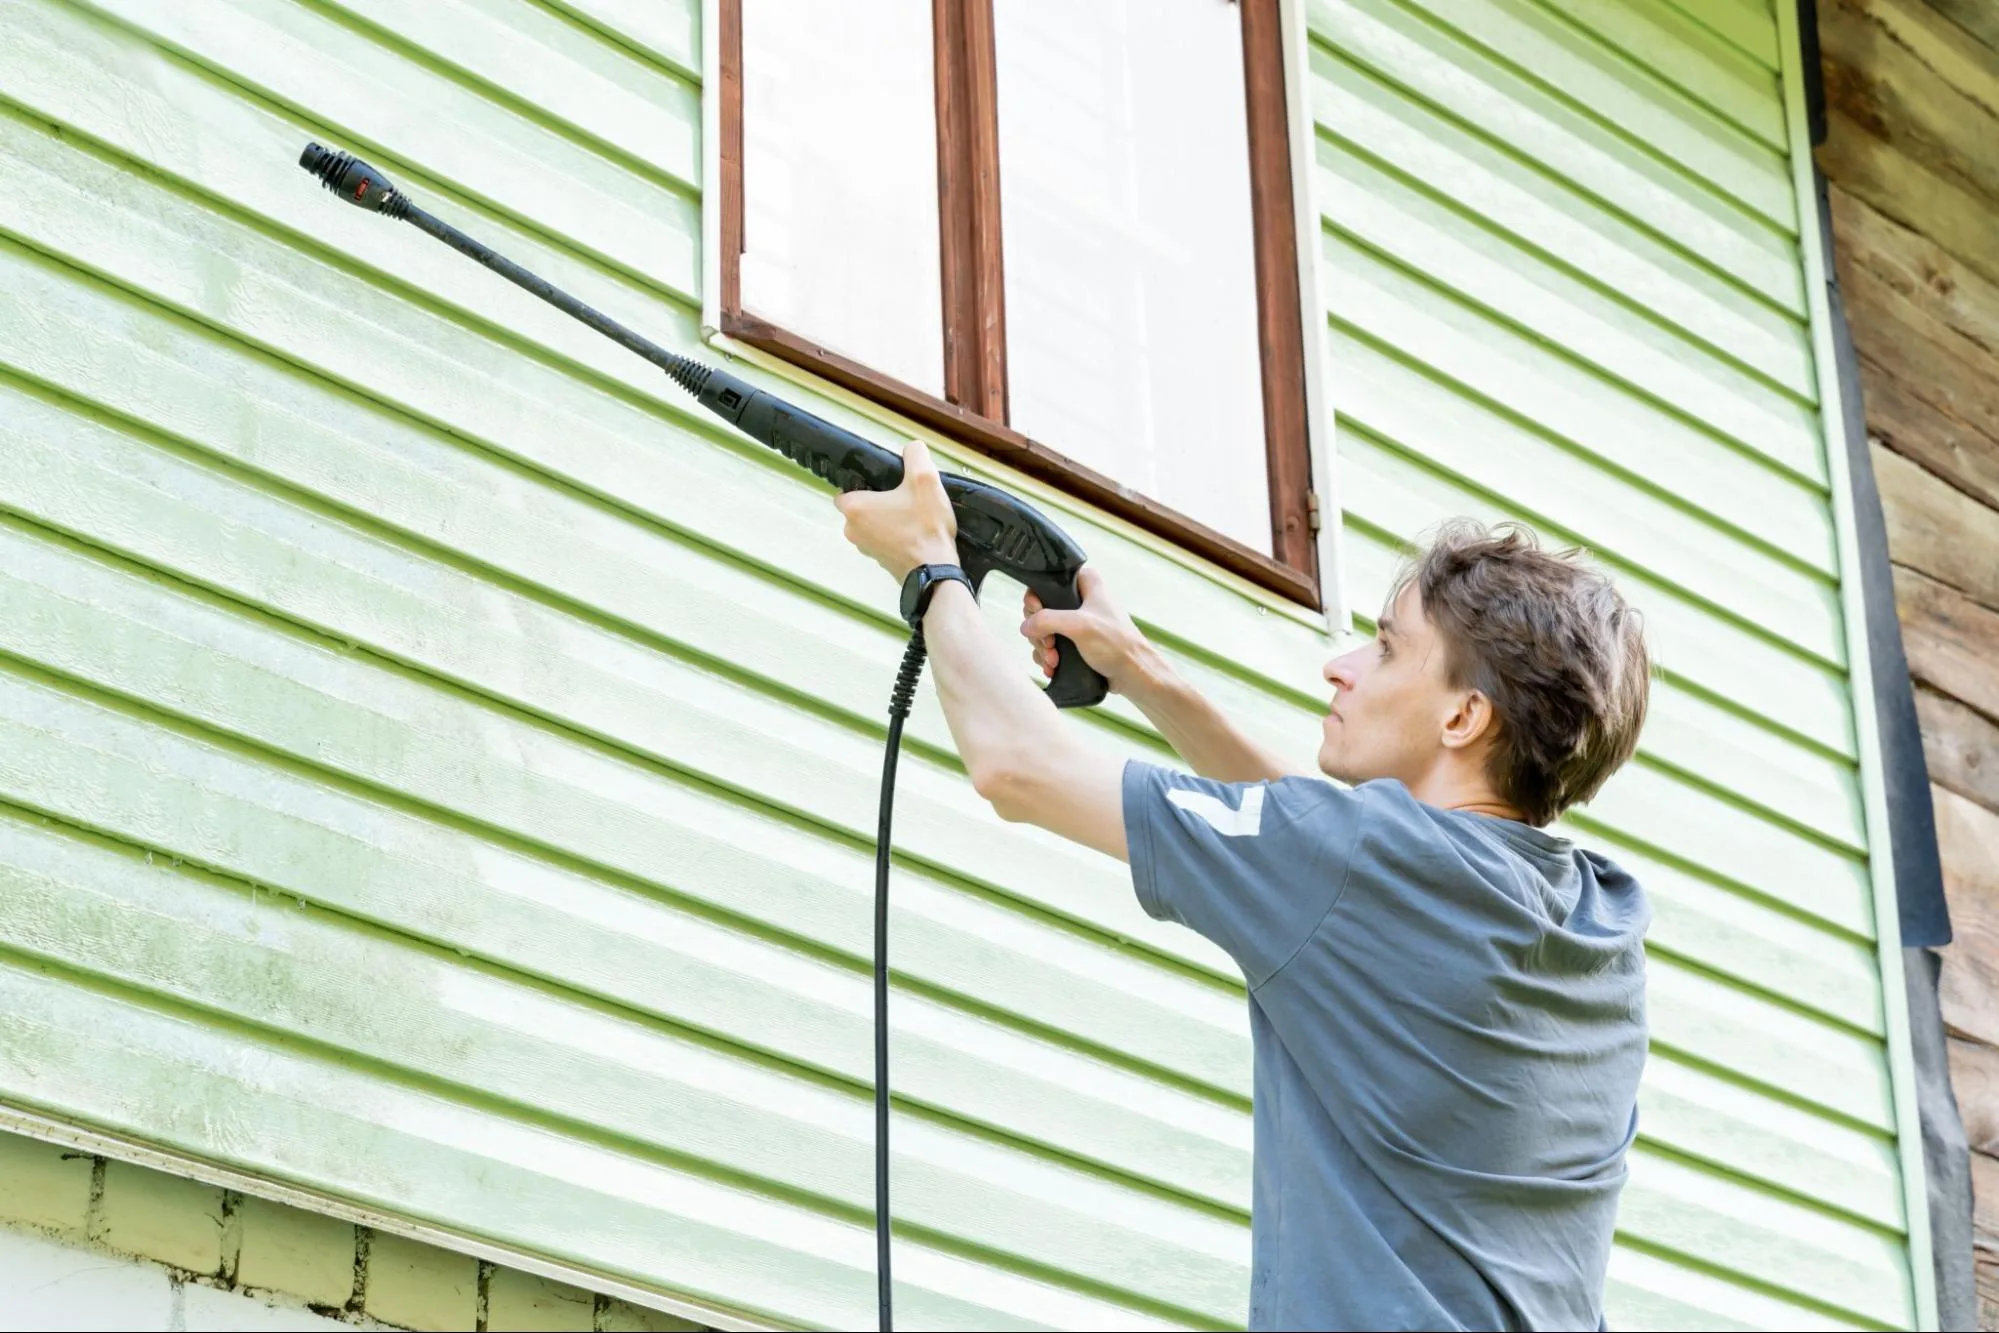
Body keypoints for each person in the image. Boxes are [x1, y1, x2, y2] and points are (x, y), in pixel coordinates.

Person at [836, 441, 1653, 1332]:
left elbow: (1016, 766)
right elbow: (1323, 853)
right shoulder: (1598, 919)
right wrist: (1140, 669)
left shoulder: (1360, 862)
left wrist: (929, 571)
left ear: (1462, 717)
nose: (1339, 666)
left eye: (1384, 649)